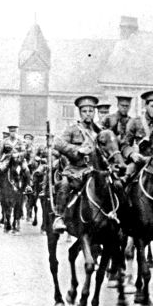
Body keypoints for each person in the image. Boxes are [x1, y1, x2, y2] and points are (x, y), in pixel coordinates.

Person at [52, 95, 101, 233]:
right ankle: (59, 217)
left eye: (91, 111)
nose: (88, 114)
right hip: (75, 169)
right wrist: (78, 150)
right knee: (64, 184)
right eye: (85, 111)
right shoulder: (72, 129)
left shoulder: (99, 131)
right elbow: (58, 143)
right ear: (80, 113)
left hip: (95, 169)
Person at [122, 91, 153, 179]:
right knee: (125, 180)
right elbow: (124, 144)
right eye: (152, 106)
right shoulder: (135, 122)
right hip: (139, 161)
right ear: (146, 106)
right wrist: (132, 154)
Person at [0, 126, 33, 194]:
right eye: (11, 131)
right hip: (7, 159)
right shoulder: (4, 141)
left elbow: (24, 151)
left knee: (26, 169)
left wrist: (18, 154)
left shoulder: (20, 141)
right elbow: (0, 153)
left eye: (14, 131)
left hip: (19, 159)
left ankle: (28, 186)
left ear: (16, 132)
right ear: (9, 132)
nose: (12, 133)